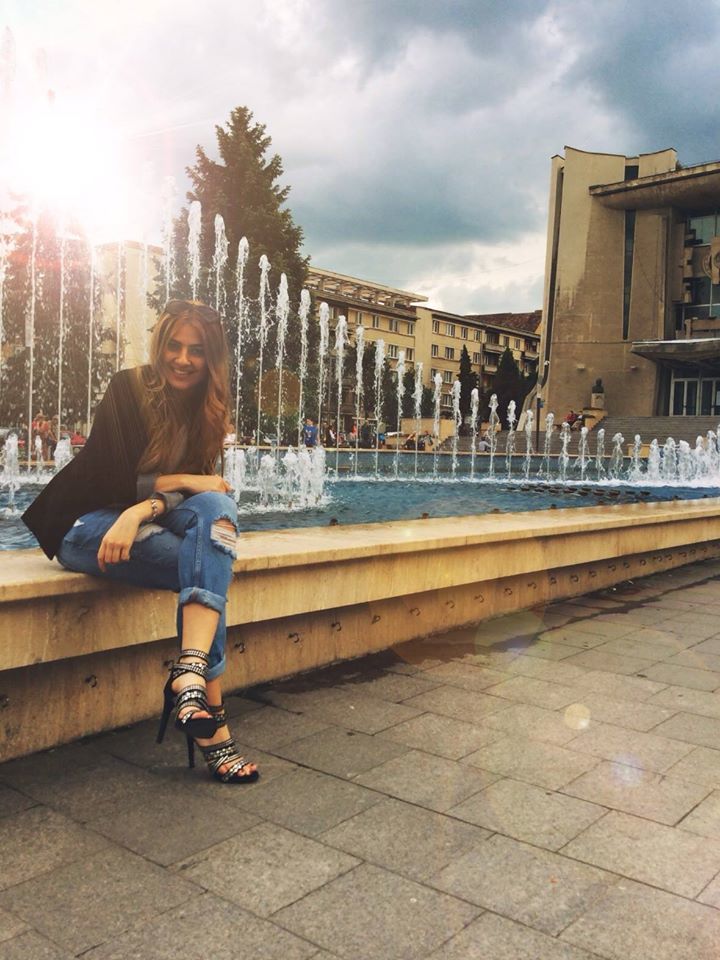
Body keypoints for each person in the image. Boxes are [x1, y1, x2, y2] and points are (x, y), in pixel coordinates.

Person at [22, 299, 258, 785]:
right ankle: (211, 718)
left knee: (216, 514)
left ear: (211, 357)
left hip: (136, 516)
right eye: (174, 345)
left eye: (196, 350)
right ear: (160, 344)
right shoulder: (128, 387)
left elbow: (195, 497)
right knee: (209, 560)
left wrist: (142, 511)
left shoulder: (208, 408)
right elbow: (108, 477)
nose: (183, 359)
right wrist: (172, 487)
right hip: (83, 523)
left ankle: (189, 674)